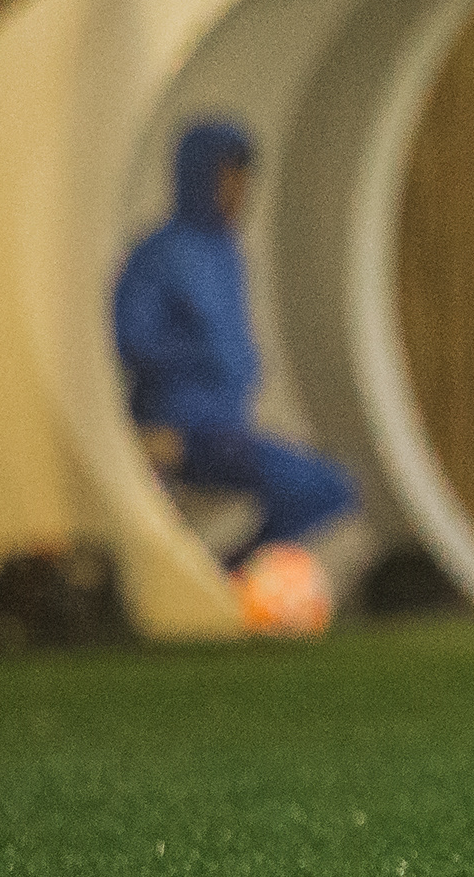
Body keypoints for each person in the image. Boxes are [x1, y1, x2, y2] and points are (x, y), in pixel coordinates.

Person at [109, 119, 371, 635]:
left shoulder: (226, 252)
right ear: (199, 175)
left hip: (227, 426)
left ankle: (227, 577)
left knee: (328, 487)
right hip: (177, 429)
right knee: (310, 483)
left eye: (243, 178)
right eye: (228, 176)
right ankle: (224, 582)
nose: (238, 190)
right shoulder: (158, 254)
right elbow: (130, 339)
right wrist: (191, 372)